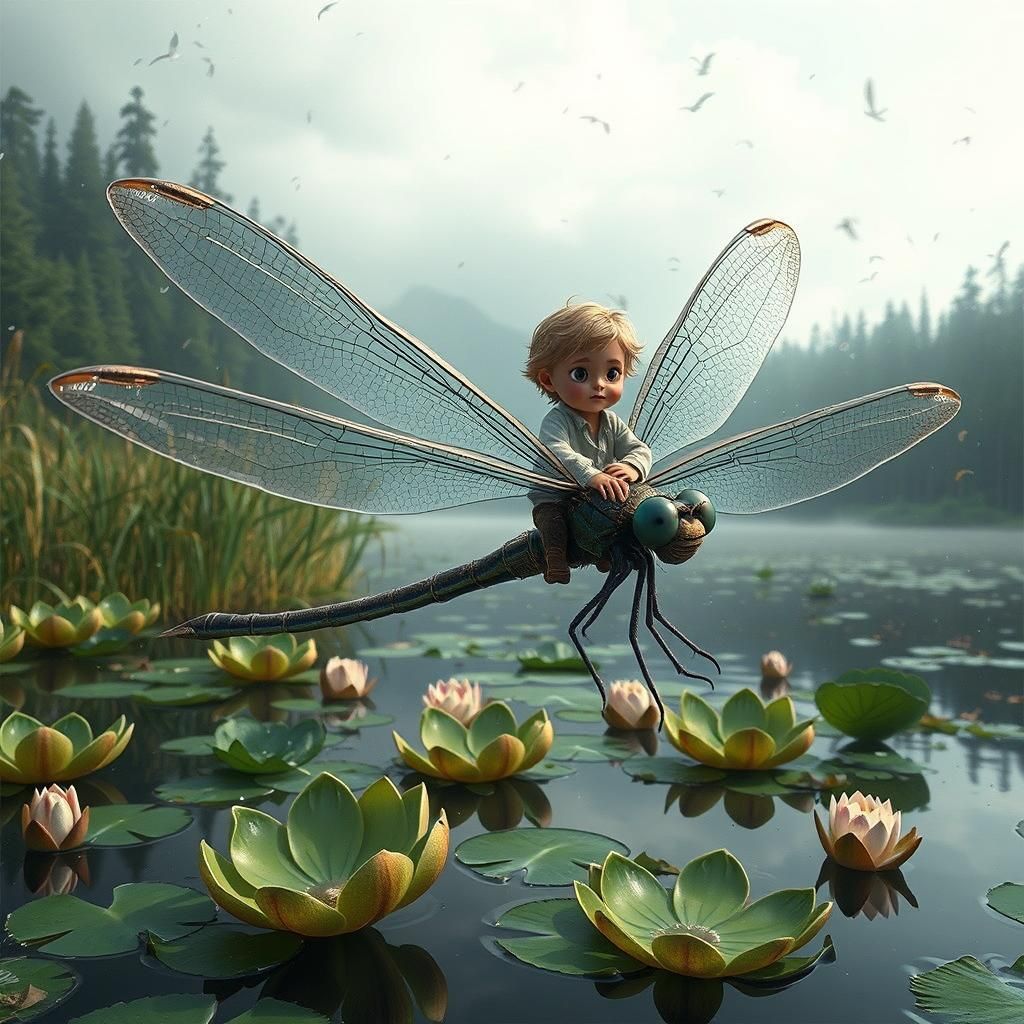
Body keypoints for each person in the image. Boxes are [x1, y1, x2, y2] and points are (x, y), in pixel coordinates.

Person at [523, 301, 652, 584]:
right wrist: (592, 474)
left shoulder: (612, 422)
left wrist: (632, 467)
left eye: (612, 373)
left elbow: (639, 449)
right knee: (553, 522)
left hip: (593, 498)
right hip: (556, 498)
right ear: (548, 380)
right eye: (581, 374)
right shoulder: (556, 420)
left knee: (618, 508)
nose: (600, 384)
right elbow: (556, 452)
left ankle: (604, 553)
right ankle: (555, 560)